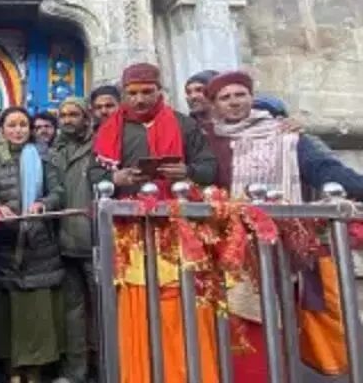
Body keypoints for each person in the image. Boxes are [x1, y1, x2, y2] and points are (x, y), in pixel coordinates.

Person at [204, 72, 363, 382]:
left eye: (240, 95)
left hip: (281, 250)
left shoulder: (287, 136)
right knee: (234, 331)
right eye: (225, 97)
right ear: (214, 105)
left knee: (279, 325)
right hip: (226, 251)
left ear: (251, 98)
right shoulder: (206, 139)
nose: (234, 102)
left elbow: (324, 169)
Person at [91, 62, 218, 383]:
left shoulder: (184, 125)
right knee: (137, 305)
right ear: (124, 94)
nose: (139, 99)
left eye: (147, 92)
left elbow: (209, 168)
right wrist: (115, 178)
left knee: (180, 303)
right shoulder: (109, 130)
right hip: (129, 234)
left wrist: (187, 171)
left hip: (179, 231)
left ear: (160, 91)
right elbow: (92, 174)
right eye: (132, 93)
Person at [0, 106, 65, 383]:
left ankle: (35, 371)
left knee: (36, 314)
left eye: (23, 125)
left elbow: (58, 191)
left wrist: (43, 204)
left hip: (38, 244)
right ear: (1, 129)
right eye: (12, 125)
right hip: (3, 245)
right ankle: (13, 372)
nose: (18, 130)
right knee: (6, 312)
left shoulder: (43, 154)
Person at [49, 97, 97, 383]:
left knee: (102, 309)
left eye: (73, 114)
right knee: (72, 312)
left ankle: (106, 366)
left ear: (85, 117)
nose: (68, 120)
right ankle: (75, 371)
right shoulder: (54, 151)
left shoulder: (99, 146)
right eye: (64, 115)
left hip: (93, 241)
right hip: (63, 243)